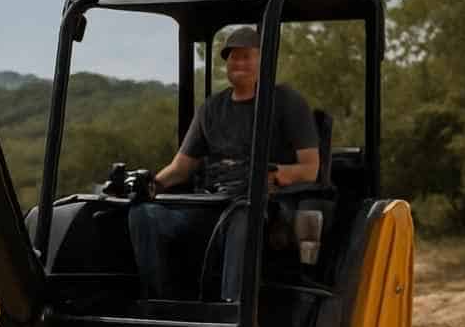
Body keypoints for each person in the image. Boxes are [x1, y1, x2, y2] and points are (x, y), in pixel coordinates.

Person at [127, 26, 321, 302]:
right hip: (213, 204)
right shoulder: (211, 109)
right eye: (232, 57)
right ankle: (161, 303)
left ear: (263, 61)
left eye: (246, 56)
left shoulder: (287, 102)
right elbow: (181, 167)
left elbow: (310, 168)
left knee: (243, 216)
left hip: (266, 207)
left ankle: (231, 310)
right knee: (143, 214)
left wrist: (274, 174)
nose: (238, 63)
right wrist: (150, 184)